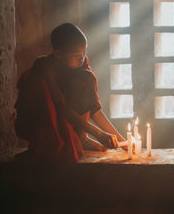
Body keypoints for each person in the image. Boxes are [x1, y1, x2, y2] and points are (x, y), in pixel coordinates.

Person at [15, 23, 125, 162]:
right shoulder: (45, 67)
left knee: (87, 77)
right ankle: (64, 140)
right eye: (76, 55)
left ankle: (81, 137)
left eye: (84, 52)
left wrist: (123, 141)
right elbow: (61, 107)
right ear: (58, 54)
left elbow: (94, 110)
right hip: (48, 122)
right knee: (38, 85)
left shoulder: (81, 68)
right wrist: (98, 133)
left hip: (74, 120)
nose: (82, 58)